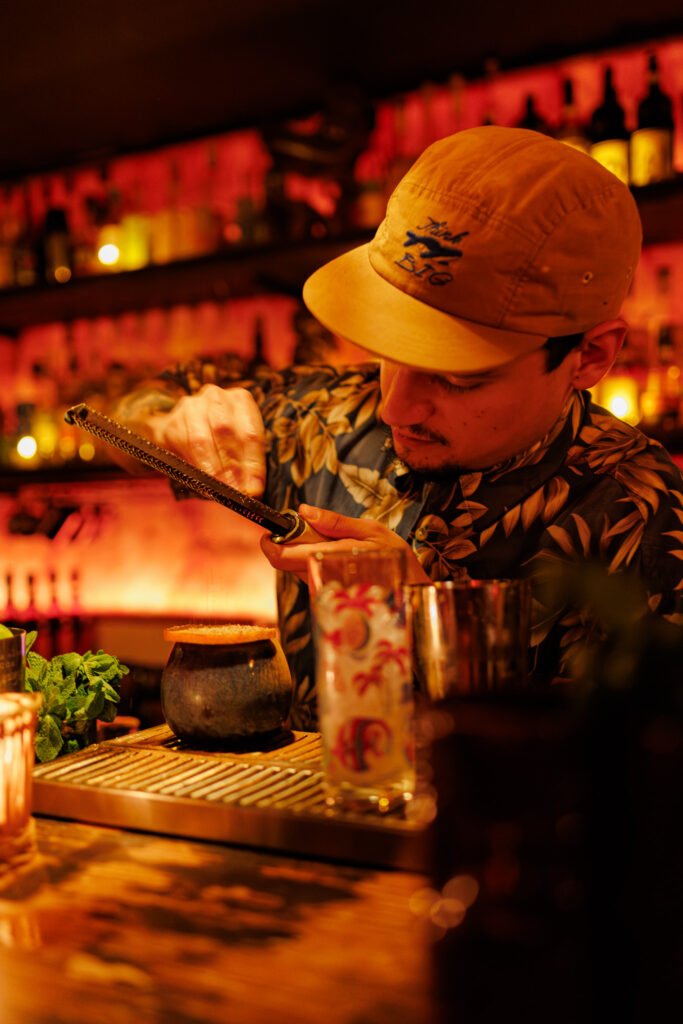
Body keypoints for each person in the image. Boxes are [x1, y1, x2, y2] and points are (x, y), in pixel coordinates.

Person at [114, 126, 683, 729]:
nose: (396, 408)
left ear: (589, 357)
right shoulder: (325, 412)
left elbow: (628, 783)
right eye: (390, 349)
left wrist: (426, 618)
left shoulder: (640, 507)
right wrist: (169, 422)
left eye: (458, 377)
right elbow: (119, 423)